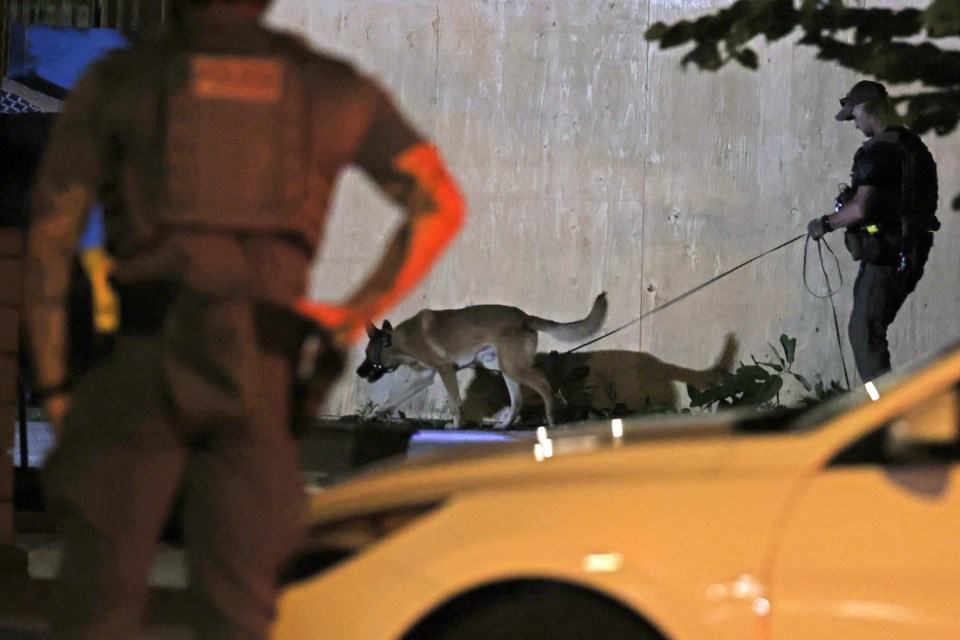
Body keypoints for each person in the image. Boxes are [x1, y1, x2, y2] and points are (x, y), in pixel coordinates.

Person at [23, 0, 466, 638]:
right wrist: (354, 316)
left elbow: (49, 241)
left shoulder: (122, 83)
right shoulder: (329, 86)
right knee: (242, 602)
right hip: (256, 369)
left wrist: (58, 386)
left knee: (102, 593)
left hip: (146, 363)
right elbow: (438, 203)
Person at [807, 80, 939, 384]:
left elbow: (861, 209)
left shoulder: (880, 150)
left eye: (854, 117)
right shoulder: (910, 145)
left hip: (889, 256)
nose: (855, 125)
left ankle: (884, 414)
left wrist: (825, 223)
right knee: (868, 329)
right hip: (908, 251)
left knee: (865, 333)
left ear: (867, 108)